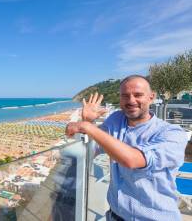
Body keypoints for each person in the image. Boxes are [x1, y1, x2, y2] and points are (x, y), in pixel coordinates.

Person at [65, 75, 188, 221]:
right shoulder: (116, 120)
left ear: (151, 97)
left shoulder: (172, 133)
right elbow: (91, 147)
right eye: (125, 96)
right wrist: (87, 121)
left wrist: (88, 127)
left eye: (138, 95)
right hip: (114, 216)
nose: (131, 100)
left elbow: (133, 160)